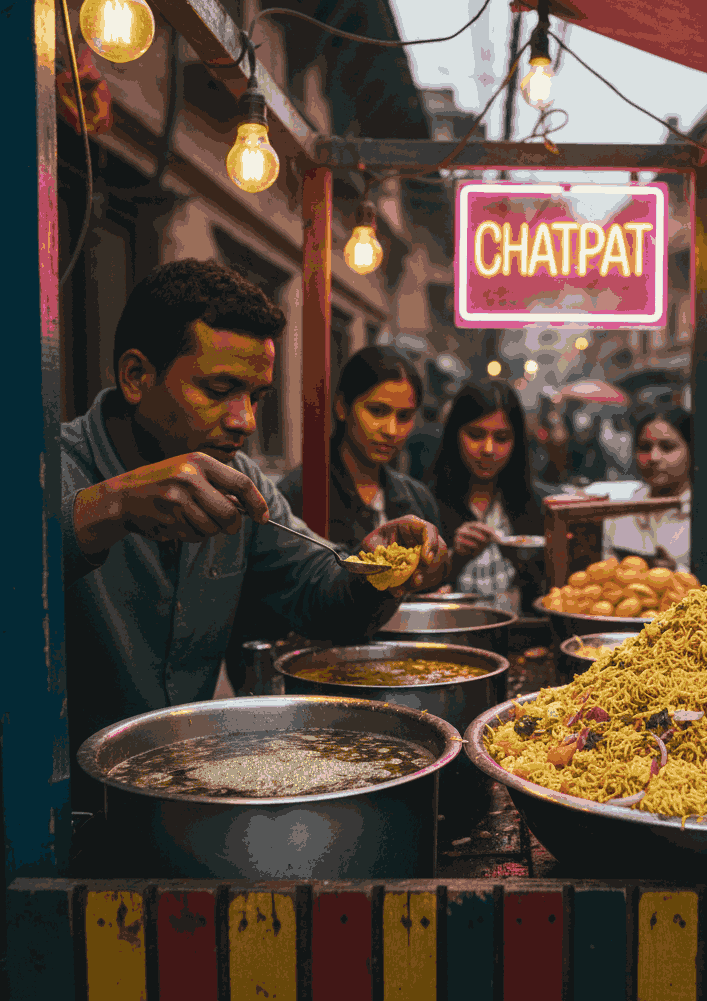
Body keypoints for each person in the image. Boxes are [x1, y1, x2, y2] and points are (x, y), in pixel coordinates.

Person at [62, 260, 449, 810]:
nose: (243, 420)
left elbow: (318, 587)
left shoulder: (242, 481)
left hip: (188, 796)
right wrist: (109, 508)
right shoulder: (50, 468)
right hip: (62, 813)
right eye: (220, 390)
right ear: (136, 376)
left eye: (256, 397)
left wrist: (375, 570)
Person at [277, 346, 439, 547]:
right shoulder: (298, 494)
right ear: (342, 407)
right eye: (377, 411)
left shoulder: (419, 499)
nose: (391, 430)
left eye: (404, 416)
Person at [602, 407, 707, 601]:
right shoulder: (624, 510)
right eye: (644, 447)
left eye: (667, 447)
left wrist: (677, 574)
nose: (654, 457)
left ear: (692, 450)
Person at [428, 380, 545, 612]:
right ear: (454, 434)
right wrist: (454, 558)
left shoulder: (532, 505)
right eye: (476, 435)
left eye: (501, 438)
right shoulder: (426, 503)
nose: (488, 449)